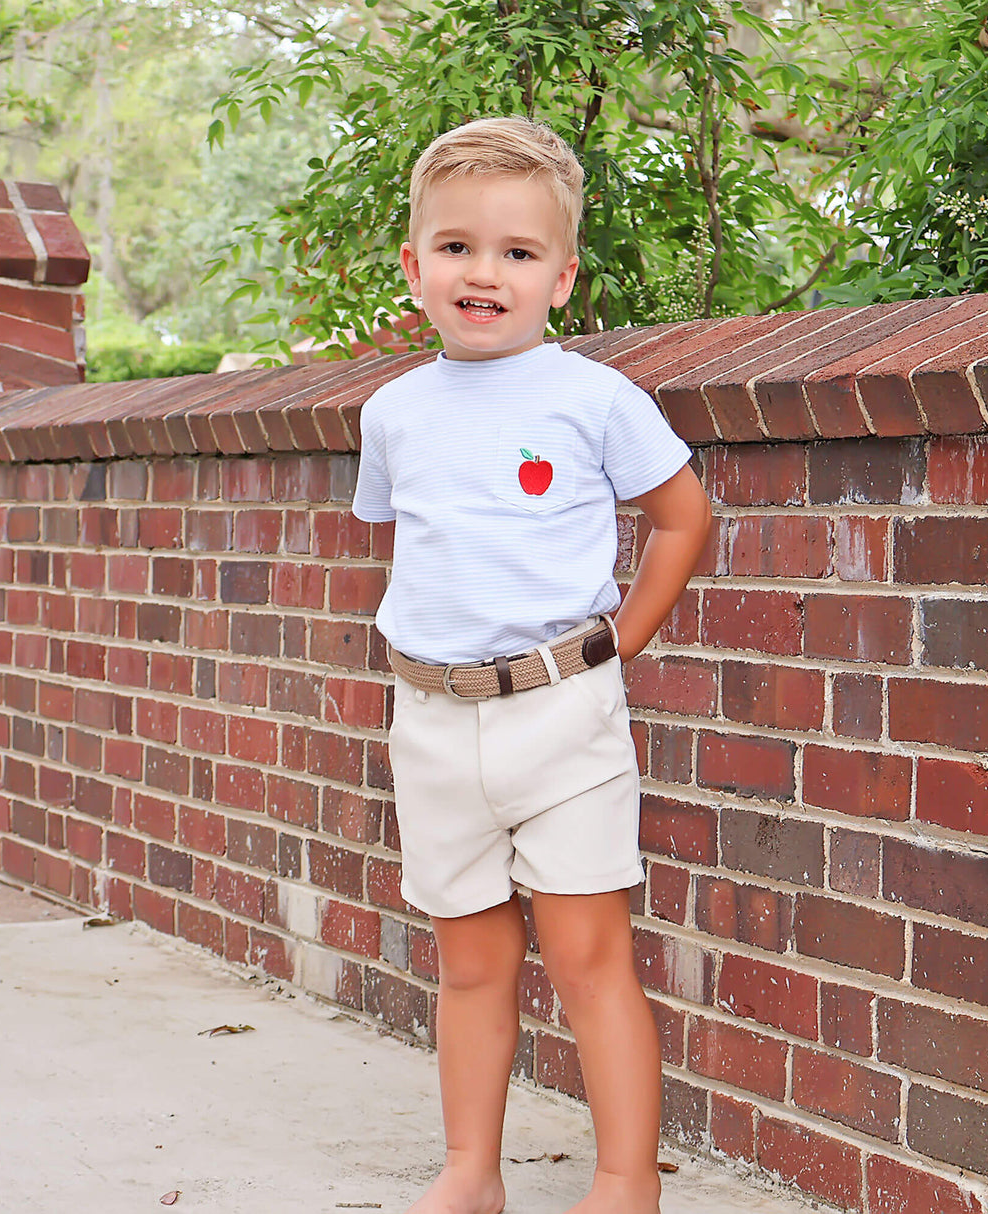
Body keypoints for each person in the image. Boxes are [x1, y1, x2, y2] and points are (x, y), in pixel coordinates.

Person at [351, 116, 713, 1214]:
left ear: (560, 278)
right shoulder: (392, 411)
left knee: (588, 958)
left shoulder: (593, 398)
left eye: (516, 252)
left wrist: (624, 639)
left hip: (561, 715)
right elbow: (421, 542)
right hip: (432, 719)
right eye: (456, 247)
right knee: (468, 964)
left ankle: (624, 1181)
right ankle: (470, 1171)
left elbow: (683, 516)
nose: (484, 273)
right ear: (414, 265)